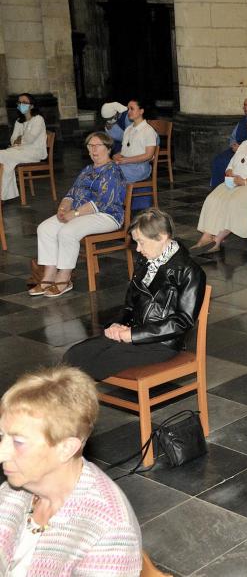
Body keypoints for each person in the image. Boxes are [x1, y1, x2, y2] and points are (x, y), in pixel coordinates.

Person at [0, 367, 142, 575]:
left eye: (19, 442)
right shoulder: (17, 487)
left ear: (66, 448)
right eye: (1, 435)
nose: (2, 453)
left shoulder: (109, 532)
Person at [64, 208, 206, 380]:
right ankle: (70, 403)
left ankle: (74, 404)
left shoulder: (189, 271)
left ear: (162, 237)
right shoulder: (145, 262)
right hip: (133, 332)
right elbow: (130, 305)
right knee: (75, 354)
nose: (138, 249)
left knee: (98, 361)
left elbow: (182, 322)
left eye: (141, 242)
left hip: (161, 343)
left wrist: (133, 335)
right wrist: (117, 325)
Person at [29, 132, 127, 298]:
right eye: (90, 146)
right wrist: (63, 208)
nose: (93, 149)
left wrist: (74, 213)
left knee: (68, 232)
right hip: (80, 214)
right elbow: (72, 192)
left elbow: (103, 202)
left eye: (97, 145)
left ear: (108, 148)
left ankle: (64, 278)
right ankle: (49, 275)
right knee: (45, 228)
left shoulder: (112, 171)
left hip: (107, 215)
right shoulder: (87, 169)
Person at [191, 114, 247, 252]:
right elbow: (232, 163)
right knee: (213, 198)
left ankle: (216, 241)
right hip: (237, 183)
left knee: (234, 202)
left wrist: (244, 181)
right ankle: (206, 237)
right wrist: (230, 172)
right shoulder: (245, 144)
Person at [0, 93, 47, 202]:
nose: (21, 104)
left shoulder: (38, 119)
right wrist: (19, 140)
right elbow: (13, 139)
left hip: (34, 153)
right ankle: (4, 195)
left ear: (32, 105)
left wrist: (20, 139)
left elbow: (30, 139)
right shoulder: (19, 121)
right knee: (6, 162)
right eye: (19, 102)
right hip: (19, 151)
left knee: (2, 155)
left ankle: (3, 194)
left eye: (24, 102)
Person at [210, 96, 247, 189]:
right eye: (244, 105)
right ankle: (217, 188)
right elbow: (233, 136)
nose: (245, 107)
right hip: (236, 149)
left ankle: (230, 187)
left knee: (226, 162)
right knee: (218, 160)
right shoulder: (242, 121)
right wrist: (233, 145)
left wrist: (241, 149)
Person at [113, 99, 158, 210]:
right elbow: (125, 151)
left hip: (140, 168)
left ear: (141, 111)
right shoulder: (128, 129)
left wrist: (126, 160)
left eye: (132, 109)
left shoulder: (148, 131)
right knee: (106, 169)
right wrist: (117, 155)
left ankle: (115, 206)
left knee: (112, 173)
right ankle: (113, 205)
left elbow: (148, 155)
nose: (129, 111)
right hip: (126, 165)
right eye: (128, 108)